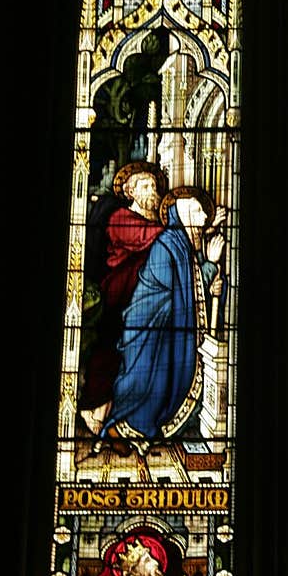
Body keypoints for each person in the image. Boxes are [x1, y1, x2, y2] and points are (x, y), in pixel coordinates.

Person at [102, 187, 225, 449]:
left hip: (161, 325)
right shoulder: (169, 243)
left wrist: (209, 273)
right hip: (149, 326)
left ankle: (133, 431)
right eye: (198, 212)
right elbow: (178, 286)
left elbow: (188, 282)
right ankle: (124, 429)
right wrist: (211, 265)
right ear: (185, 216)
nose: (203, 217)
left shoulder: (181, 243)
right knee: (145, 380)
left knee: (156, 381)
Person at [80, 162, 166, 435]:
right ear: (130, 191)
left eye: (154, 186)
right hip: (120, 295)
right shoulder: (121, 217)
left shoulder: (157, 225)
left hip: (145, 302)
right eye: (145, 186)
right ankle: (92, 407)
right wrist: (181, 229)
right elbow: (143, 238)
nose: (152, 190)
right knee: (110, 351)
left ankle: (115, 414)